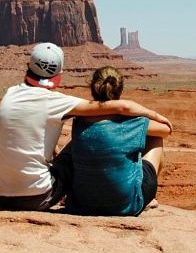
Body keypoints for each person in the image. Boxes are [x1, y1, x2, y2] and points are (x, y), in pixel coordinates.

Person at [0, 43, 172, 211]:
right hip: (37, 197)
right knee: (79, 143)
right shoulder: (57, 101)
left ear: (28, 68)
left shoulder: (10, 93)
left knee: (74, 144)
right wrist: (154, 115)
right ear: (58, 76)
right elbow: (118, 107)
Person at [66, 66, 170, 216]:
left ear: (93, 88)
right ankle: (150, 198)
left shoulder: (79, 121)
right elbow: (166, 130)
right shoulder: (132, 122)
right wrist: (144, 113)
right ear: (120, 91)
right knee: (155, 138)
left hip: (82, 204)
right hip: (127, 205)